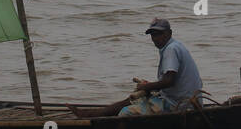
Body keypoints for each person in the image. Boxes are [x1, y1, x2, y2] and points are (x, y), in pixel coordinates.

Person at [69, 18, 203, 117]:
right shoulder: (175, 46)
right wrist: (149, 86)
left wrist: (146, 87)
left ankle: (91, 115)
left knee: (125, 113)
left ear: (169, 33)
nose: (155, 38)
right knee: (132, 99)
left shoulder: (171, 49)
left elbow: (169, 81)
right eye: (153, 35)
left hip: (179, 104)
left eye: (158, 34)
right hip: (186, 101)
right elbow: (170, 80)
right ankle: (91, 114)